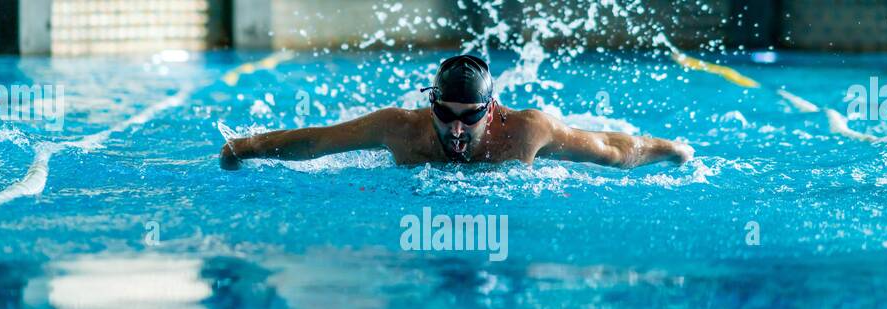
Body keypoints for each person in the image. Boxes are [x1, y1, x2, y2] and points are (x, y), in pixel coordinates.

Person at [220, 54, 693, 170]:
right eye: (445, 114)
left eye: (470, 117)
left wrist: (671, 149)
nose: (457, 128)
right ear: (431, 105)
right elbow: (319, 142)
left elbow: (610, 149)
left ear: (492, 110)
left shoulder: (526, 132)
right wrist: (248, 147)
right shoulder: (400, 130)